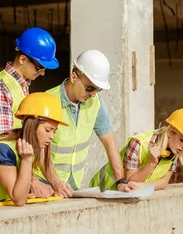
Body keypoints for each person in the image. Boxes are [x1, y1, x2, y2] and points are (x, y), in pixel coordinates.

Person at [32, 49, 131, 197]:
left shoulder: (95, 103)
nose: (92, 94)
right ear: (74, 76)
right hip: (44, 184)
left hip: (72, 187)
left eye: (97, 90)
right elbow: (39, 149)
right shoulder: (48, 101)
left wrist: (121, 181)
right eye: (89, 88)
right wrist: (55, 182)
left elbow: (110, 143)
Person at [0, 27, 59, 154]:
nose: (43, 73)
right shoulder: (0, 89)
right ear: (23, 59)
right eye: (40, 68)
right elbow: (3, 144)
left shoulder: (21, 85)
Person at [89, 108, 183, 191]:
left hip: (125, 195)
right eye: (182, 140)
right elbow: (131, 181)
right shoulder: (138, 143)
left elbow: (164, 182)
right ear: (170, 132)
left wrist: (144, 186)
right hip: (102, 192)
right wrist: (151, 164)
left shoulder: (174, 150)